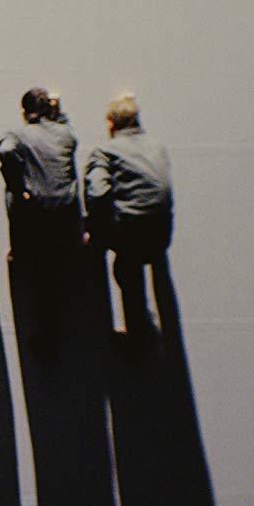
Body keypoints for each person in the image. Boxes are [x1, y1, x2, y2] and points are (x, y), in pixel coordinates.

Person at [84, 92, 173, 342]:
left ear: (111, 124)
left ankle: (136, 335)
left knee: (123, 268)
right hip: (162, 233)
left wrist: (93, 231)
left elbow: (97, 193)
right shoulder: (157, 146)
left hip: (131, 235)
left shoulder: (105, 151)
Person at [0, 87, 81, 264]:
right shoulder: (65, 134)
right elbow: (69, 133)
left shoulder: (18, 135)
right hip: (66, 211)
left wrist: (18, 185)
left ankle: (16, 248)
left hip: (36, 210)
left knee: (12, 193)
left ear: (24, 112)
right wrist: (58, 114)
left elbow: (6, 150)